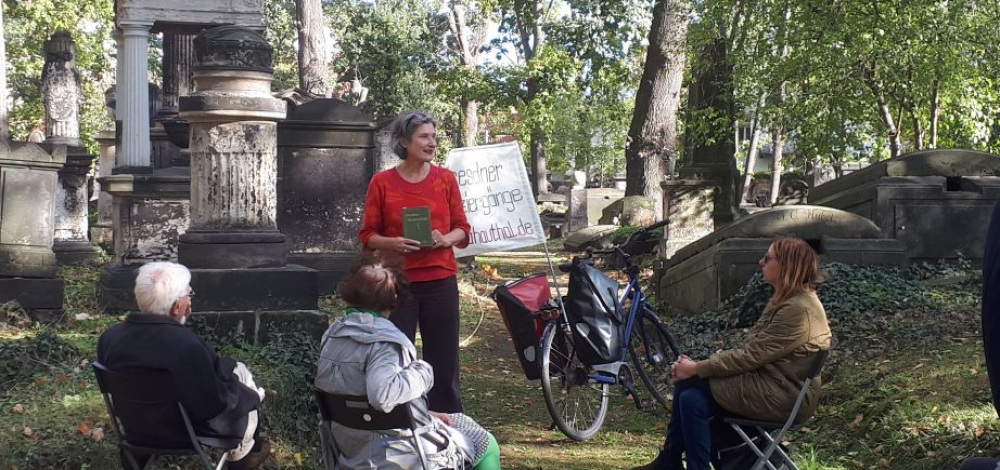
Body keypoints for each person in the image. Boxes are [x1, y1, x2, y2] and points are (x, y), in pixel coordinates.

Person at [633, 237, 833, 470]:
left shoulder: (798, 310)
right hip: (771, 385)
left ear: (787, 265)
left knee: (691, 388)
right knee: (690, 396)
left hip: (783, 396)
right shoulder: (788, 300)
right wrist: (698, 367)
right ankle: (673, 461)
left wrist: (697, 368)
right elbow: (750, 349)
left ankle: (674, 461)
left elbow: (749, 355)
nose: (761, 262)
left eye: (768, 258)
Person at [316, 255, 500, 470]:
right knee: (487, 444)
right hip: (397, 451)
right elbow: (382, 397)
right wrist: (423, 371)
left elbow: (356, 396)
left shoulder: (333, 334)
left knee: (456, 419)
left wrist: (422, 412)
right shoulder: (386, 343)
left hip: (351, 447)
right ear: (394, 298)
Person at [97, 262, 269, 470]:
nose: (190, 303)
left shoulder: (110, 338)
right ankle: (241, 462)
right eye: (189, 295)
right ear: (178, 306)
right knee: (248, 401)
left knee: (236, 375)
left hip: (136, 430)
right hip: (184, 433)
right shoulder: (186, 345)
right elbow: (211, 406)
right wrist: (247, 396)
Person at [359, 111, 471, 413]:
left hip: (440, 281)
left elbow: (463, 229)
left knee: (444, 361)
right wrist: (393, 243)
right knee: (396, 357)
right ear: (405, 142)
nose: (432, 142)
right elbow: (367, 235)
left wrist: (445, 239)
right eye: (425, 136)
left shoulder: (445, 180)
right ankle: (401, 422)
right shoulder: (381, 183)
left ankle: (449, 425)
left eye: (434, 136)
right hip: (398, 283)